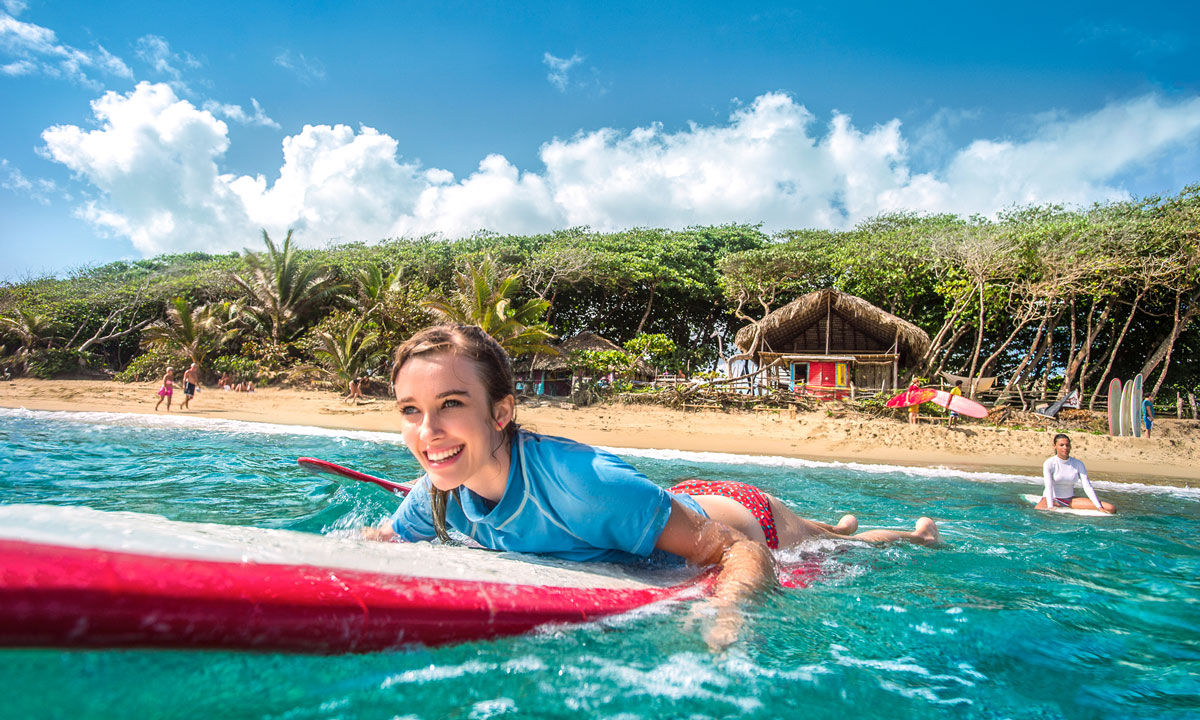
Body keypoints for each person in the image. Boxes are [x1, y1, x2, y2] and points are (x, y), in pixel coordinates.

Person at [364, 324, 939, 649]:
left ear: (503, 410)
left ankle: (911, 535)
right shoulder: (433, 496)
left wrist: (729, 615)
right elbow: (382, 540)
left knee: (835, 544)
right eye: (409, 410)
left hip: (745, 517)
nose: (427, 431)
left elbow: (740, 551)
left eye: (451, 404)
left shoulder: (580, 486)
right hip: (665, 507)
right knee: (829, 532)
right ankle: (842, 525)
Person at [1036, 434, 1114, 513]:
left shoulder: (1078, 464)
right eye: (1061, 445)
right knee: (1038, 511)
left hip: (1070, 500)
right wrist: (1050, 506)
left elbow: (1087, 487)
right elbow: (1048, 486)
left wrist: (1099, 507)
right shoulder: (1049, 463)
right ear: (1055, 446)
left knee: (1110, 508)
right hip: (1052, 499)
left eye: (1067, 445)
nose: (1065, 448)